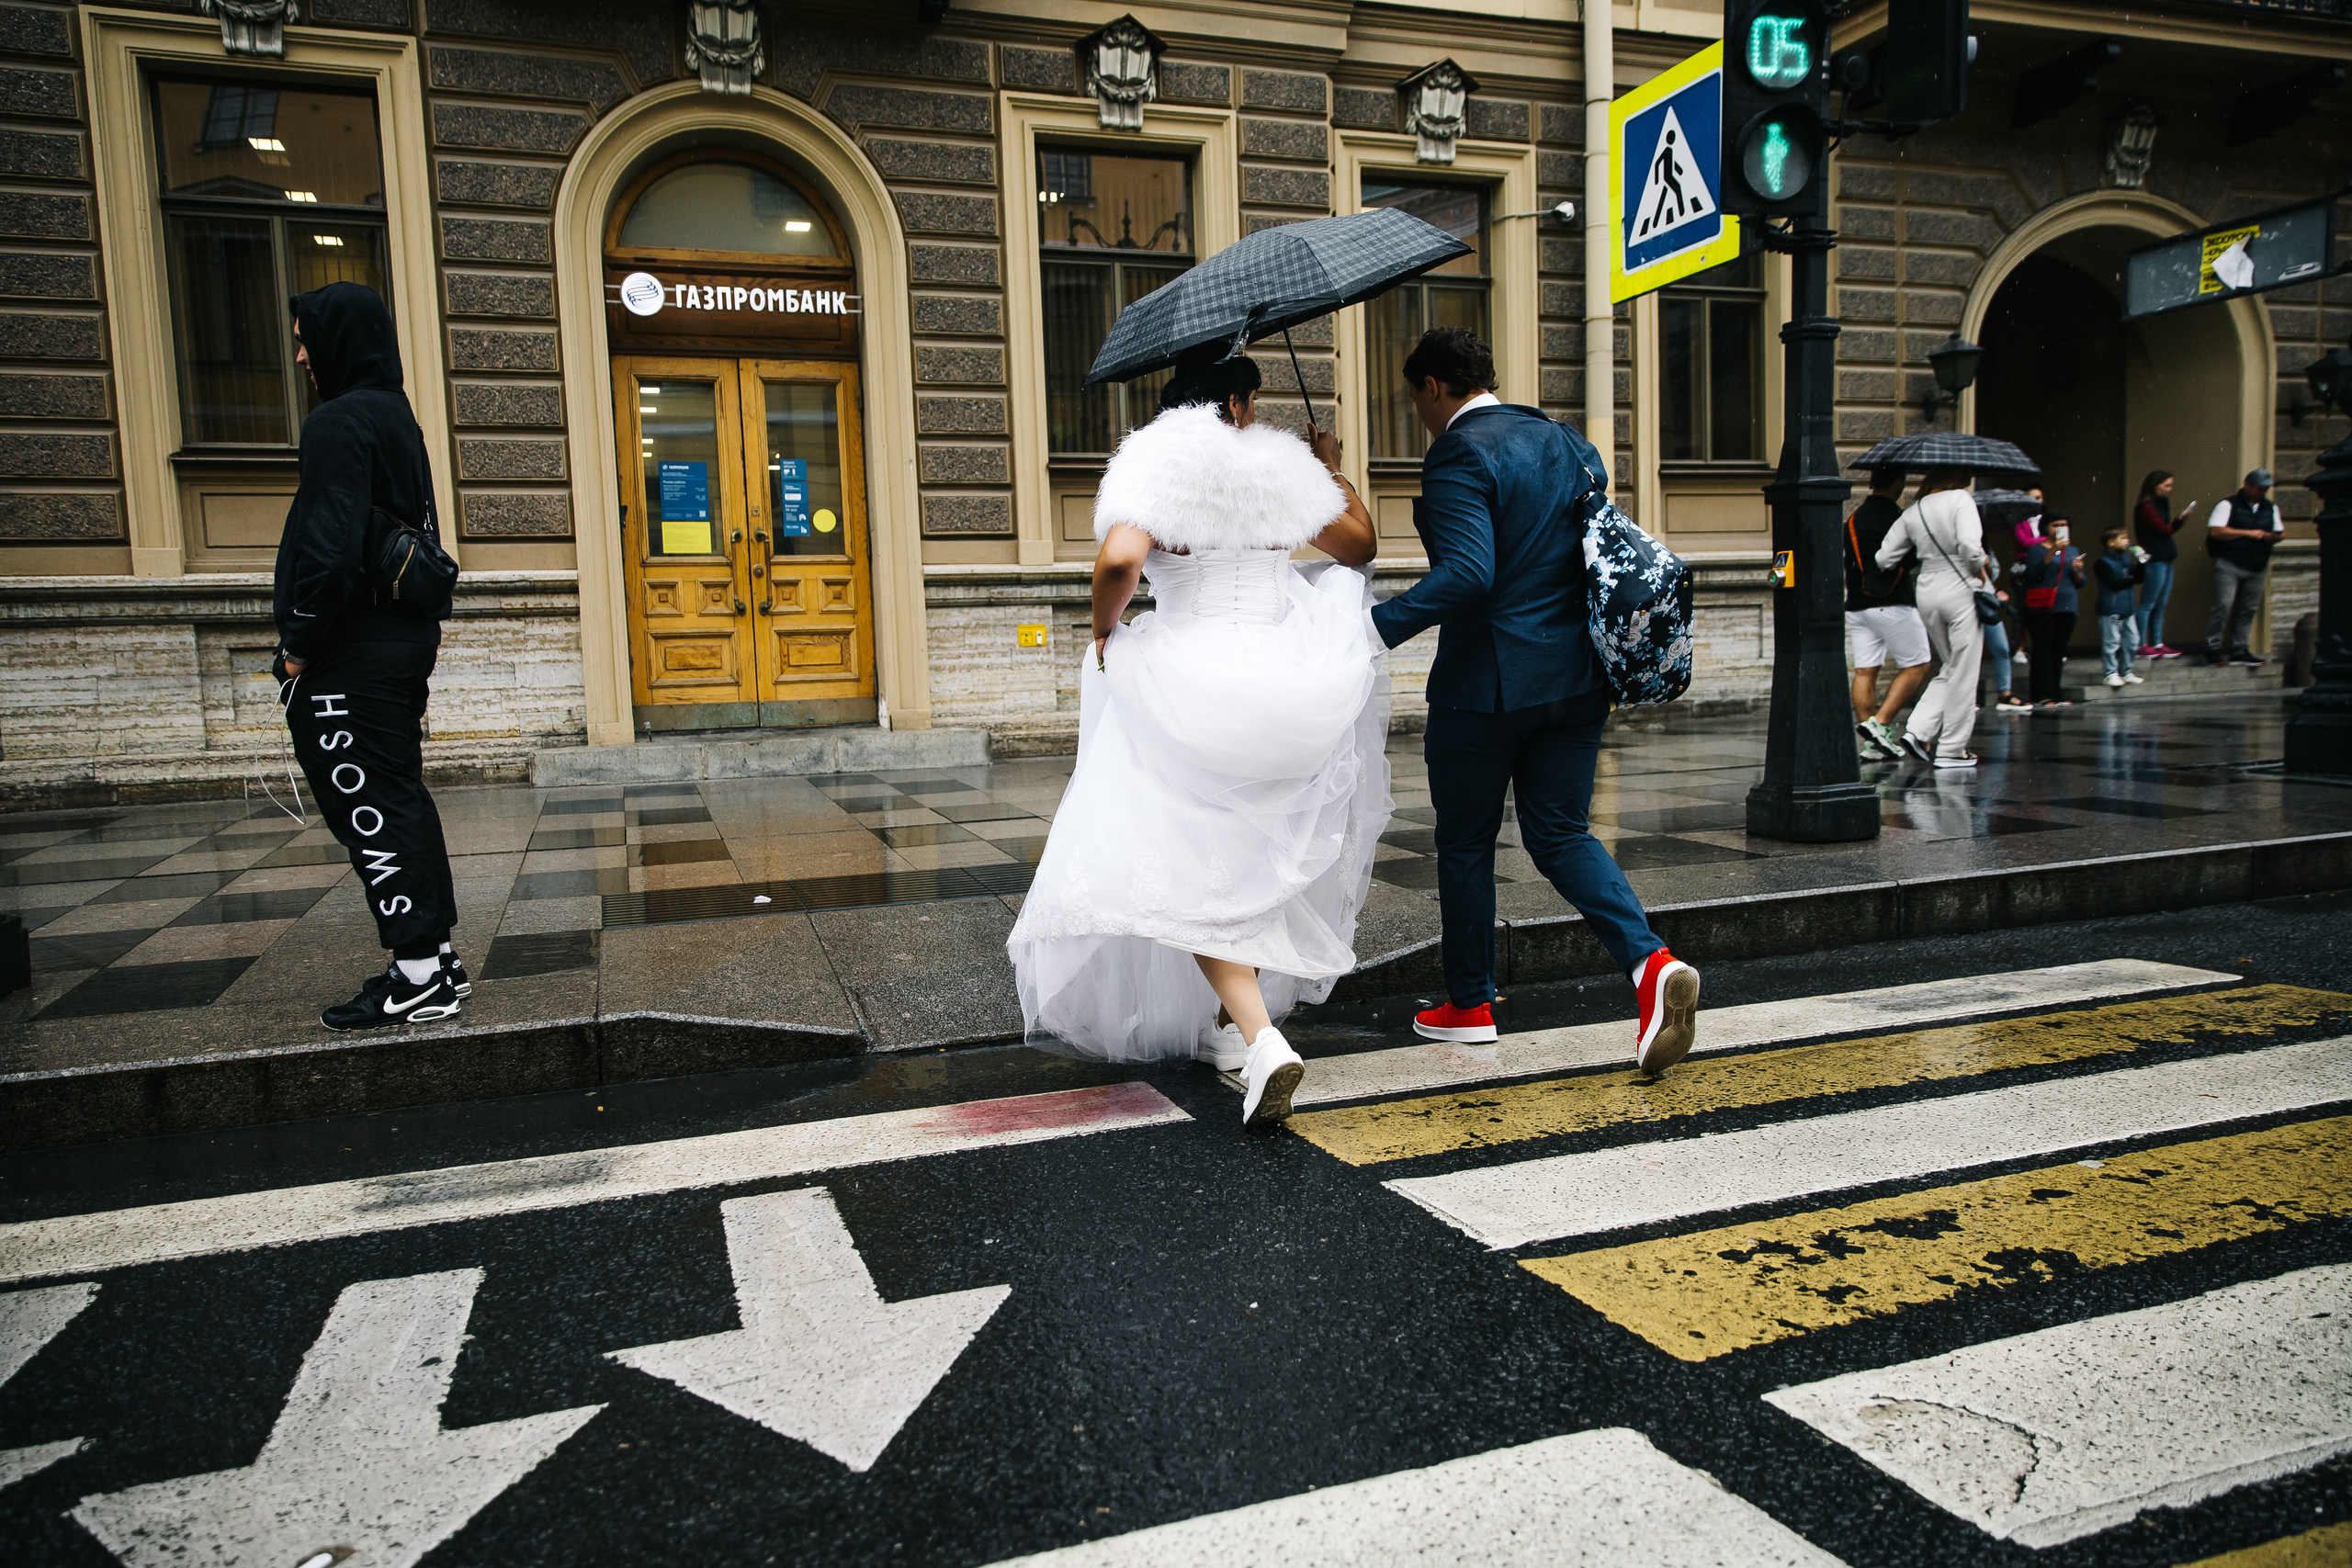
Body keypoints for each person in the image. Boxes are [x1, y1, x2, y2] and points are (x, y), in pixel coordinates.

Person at [1006, 348, 1386, 1127]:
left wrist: (1106, 631)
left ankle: (1259, 1035)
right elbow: (1359, 545)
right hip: (1289, 680)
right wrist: (1330, 468)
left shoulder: (1159, 463)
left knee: (1190, 864)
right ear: (1242, 403)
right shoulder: (1283, 469)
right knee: (1246, 855)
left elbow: (1119, 558)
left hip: (1191, 681)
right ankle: (1230, 1034)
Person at [1367, 328, 1701, 1074]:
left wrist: (1371, 629)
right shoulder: (1566, 442)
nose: (1417, 411)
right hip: (1579, 679)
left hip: (1485, 686)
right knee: (1559, 833)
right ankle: (1650, 963)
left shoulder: (1458, 450)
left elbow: (1469, 574)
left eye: (1414, 397)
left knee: (1465, 843)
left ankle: (1470, 1004)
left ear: (1431, 387)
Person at [273, 281, 465, 1031]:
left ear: (337, 341)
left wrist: (297, 644)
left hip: (353, 648)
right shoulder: (397, 419)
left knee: (370, 806)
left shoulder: (338, 421)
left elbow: (327, 542)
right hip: (400, 639)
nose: (299, 353)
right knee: (397, 796)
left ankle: (418, 975)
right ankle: (432, 960)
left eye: (305, 336)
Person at [1874, 467, 1990, 769]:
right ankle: (1952, 749)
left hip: (1926, 589)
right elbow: (1969, 547)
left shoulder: (1913, 511)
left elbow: (1884, 558)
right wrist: (1981, 562)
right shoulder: (1961, 500)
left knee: (1952, 666)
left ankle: (1919, 730)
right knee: (1965, 671)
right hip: (1960, 586)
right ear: (1958, 479)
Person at [1842, 468, 1932, 759]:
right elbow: (1910, 557)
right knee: (1918, 664)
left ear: (1871, 483)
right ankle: (1879, 725)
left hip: (1857, 604)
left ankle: (1872, 745)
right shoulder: (1898, 517)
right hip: (1893, 601)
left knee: (1865, 671)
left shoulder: (1854, 519)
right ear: (1898, 483)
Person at [2204, 468, 2283, 666]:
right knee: (2224, 604)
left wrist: (2271, 536)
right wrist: (2248, 533)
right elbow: (2216, 531)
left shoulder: (2270, 508)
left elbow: (2279, 532)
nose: (2263, 492)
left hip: (2257, 565)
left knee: (2249, 608)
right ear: (2247, 485)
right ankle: (2212, 647)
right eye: (2260, 488)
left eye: (2266, 489)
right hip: (2230, 562)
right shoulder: (2228, 504)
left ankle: (2240, 648)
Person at [2016, 514, 2086, 707]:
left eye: (2064, 525)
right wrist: (2052, 551)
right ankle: (2039, 694)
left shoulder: (2073, 550)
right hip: (2044, 606)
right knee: (2042, 650)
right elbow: (2032, 574)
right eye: (2055, 525)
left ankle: (2055, 693)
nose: (2060, 528)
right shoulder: (2036, 550)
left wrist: (2078, 570)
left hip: (2067, 605)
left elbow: (2082, 582)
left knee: (2058, 651)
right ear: (2046, 528)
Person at [2132, 469, 2194, 657]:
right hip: (2155, 558)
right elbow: (2163, 530)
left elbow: (2165, 530)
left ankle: (2157, 642)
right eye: (2166, 485)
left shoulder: (2159, 503)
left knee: (2161, 603)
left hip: (2165, 557)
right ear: (2154, 485)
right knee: (2148, 603)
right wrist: (2180, 521)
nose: (2169, 489)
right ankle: (2141, 643)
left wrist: (2177, 521)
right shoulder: (2145, 507)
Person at [2095, 525, 2148, 689]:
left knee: (2132, 641)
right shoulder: (2102, 563)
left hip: (2128, 607)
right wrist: (2130, 579)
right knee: (2111, 642)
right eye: (2123, 538)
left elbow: (2138, 578)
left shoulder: (2126, 559)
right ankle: (2110, 673)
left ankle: (2126, 670)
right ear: (2111, 542)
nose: (2127, 541)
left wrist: (2141, 562)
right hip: (2110, 608)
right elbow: (2114, 584)